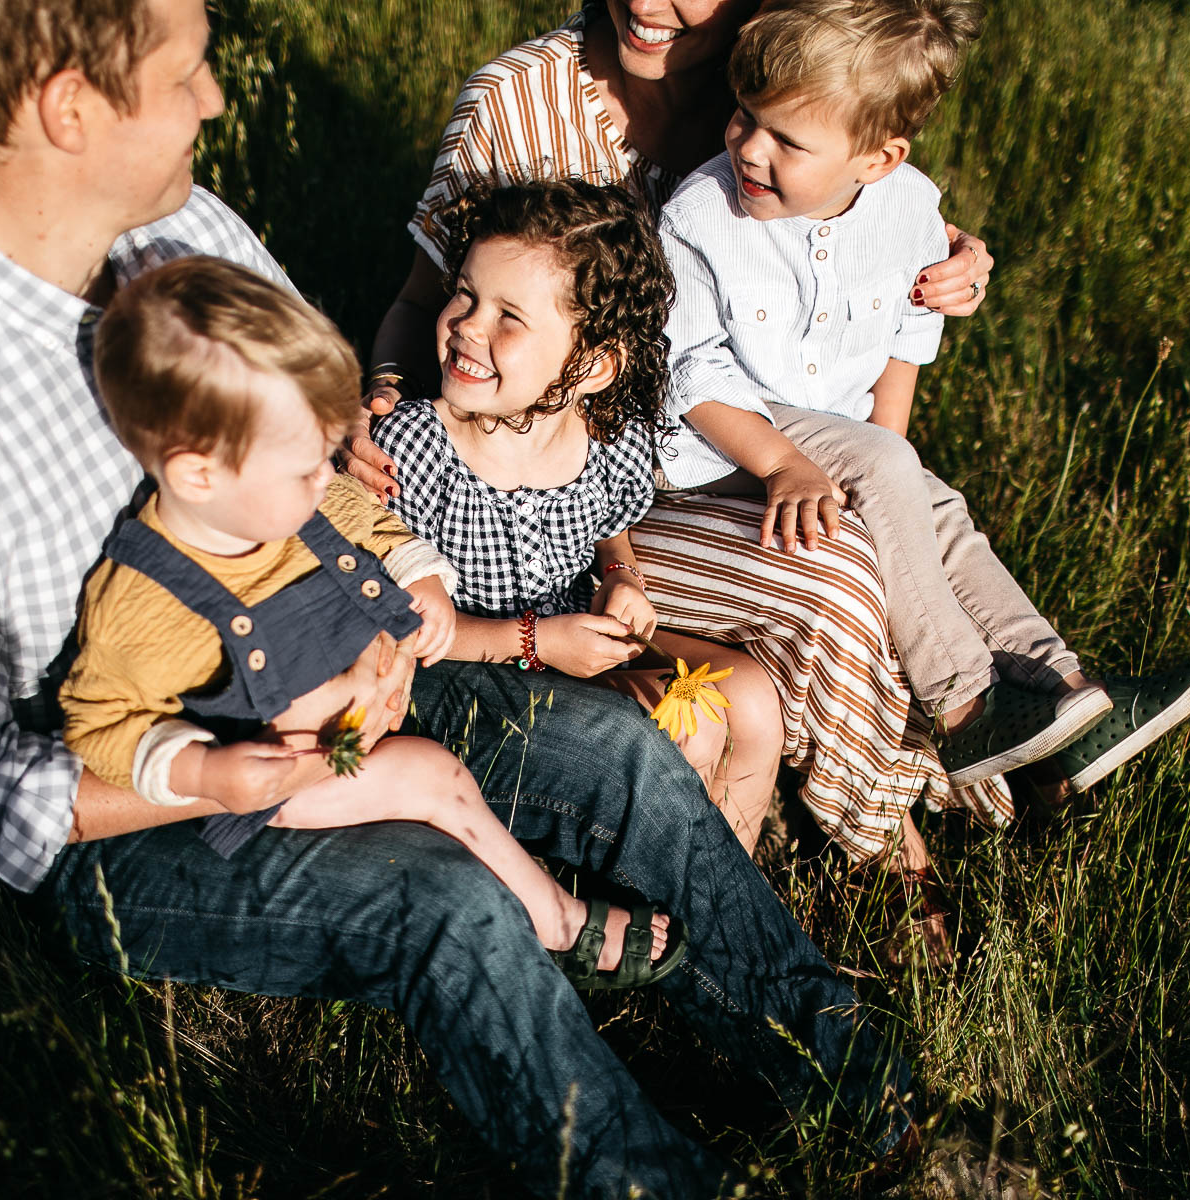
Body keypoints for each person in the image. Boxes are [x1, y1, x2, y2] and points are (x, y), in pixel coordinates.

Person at [0, 0, 920, 1193]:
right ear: (70, 106)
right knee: (447, 905)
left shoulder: (186, 235)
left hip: (345, 653)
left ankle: (869, 1099)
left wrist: (398, 614)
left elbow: (336, 471)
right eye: (187, 71)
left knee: (622, 756)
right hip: (153, 802)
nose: (214, 99)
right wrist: (229, 771)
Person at [346, 0, 1013, 885]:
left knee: (896, 521)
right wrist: (381, 397)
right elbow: (423, 303)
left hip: (712, 449)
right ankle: (885, 847)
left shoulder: (763, 73)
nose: (649, 4)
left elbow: (859, 190)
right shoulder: (519, 105)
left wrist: (938, 256)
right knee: (836, 572)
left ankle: (1018, 735)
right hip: (594, 468)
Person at [655, 0, 1190, 885]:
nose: (749, 148)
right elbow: (688, 375)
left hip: (838, 436)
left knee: (937, 511)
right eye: (744, 117)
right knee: (893, 474)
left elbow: (904, 344)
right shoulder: (701, 214)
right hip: (718, 453)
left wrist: (890, 493)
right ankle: (966, 710)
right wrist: (793, 462)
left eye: (786, 140)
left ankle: (1067, 696)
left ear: (879, 159)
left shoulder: (911, 209)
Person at [60, 254, 679, 985]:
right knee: (436, 781)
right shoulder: (140, 599)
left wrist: (420, 574)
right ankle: (557, 920)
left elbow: (358, 512)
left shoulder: (275, 491)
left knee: (461, 770)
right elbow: (96, 725)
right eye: (304, 467)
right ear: (199, 473)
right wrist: (204, 769)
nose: (327, 476)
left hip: (359, 719)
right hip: (290, 781)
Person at [373, 178, 783, 844]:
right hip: (468, 682)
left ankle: (723, 874)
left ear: (592, 368)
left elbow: (609, 527)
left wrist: (622, 575)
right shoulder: (417, 448)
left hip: (561, 647)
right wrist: (536, 641)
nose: (468, 327)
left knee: (752, 698)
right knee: (692, 724)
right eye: (465, 295)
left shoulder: (604, 439)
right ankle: (648, 897)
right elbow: (403, 633)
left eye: (509, 317)